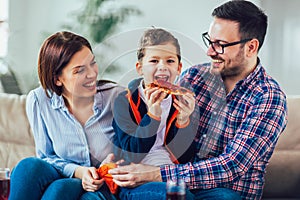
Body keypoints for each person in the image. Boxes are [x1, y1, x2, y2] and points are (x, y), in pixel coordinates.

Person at [108, 1, 288, 200]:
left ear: (251, 47)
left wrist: (155, 174)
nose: (209, 51)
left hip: (222, 190)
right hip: (177, 184)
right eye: (209, 41)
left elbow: (231, 167)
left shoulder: (268, 98)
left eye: (220, 45)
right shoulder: (194, 77)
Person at [9, 31, 123, 200]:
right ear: (57, 79)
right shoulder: (39, 100)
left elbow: (137, 148)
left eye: (93, 63)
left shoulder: (116, 98)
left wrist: (112, 164)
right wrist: (78, 171)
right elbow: (46, 156)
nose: (92, 74)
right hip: (61, 173)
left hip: (100, 185)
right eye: (79, 71)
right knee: (28, 167)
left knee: (61, 189)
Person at [112, 28, 196, 168]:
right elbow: (132, 154)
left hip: (171, 171)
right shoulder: (124, 102)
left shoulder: (183, 101)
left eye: (170, 61)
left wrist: (183, 121)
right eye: (154, 61)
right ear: (140, 68)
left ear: (179, 68)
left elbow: (186, 157)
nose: (162, 66)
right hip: (133, 173)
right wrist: (153, 116)